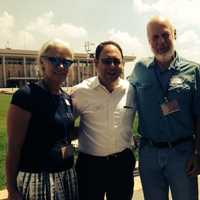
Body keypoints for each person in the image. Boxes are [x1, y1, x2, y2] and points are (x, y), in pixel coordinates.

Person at [129, 16, 200, 200]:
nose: (160, 41)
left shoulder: (193, 71)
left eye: (165, 35)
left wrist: (198, 153)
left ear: (174, 34)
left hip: (182, 154)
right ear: (149, 41)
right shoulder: (139, 69)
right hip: (149, 155)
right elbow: (124, 100)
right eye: (155, 37)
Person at [6, 39, 78, 200]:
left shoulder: (66, 98)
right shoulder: (26, 96)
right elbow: (14, 147)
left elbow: (62, 133)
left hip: (66, 174)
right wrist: (11, 190)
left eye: (67, 62)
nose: (61, 66)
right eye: (54, 60)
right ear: (42, 62)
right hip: (38, 178)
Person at [72, 41, 136, 200]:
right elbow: (63, 124)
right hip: (90, 166)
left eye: (117, 61)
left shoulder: (132, 90)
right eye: (106, 61)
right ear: (96, 63)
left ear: (122, 64)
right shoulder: (80, 92)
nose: (112, 66)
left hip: (122, 163)